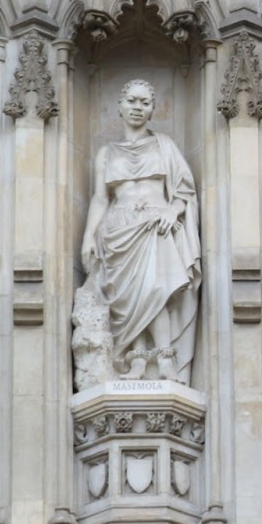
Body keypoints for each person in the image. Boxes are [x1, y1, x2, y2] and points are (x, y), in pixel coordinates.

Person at [78, 79, 201, 383]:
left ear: (152, 109)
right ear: (120, 106)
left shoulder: (164, 145)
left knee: (155, 290)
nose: (137, 107)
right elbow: (100, 198)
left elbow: (184, 189)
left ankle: (165, 359)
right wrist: (88, 236)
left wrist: (172, 210)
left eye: (145, 103)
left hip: (155, 225)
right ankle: (137, 361)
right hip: (117, 229)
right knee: (127, 298)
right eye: (132, 101)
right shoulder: (106, 153)